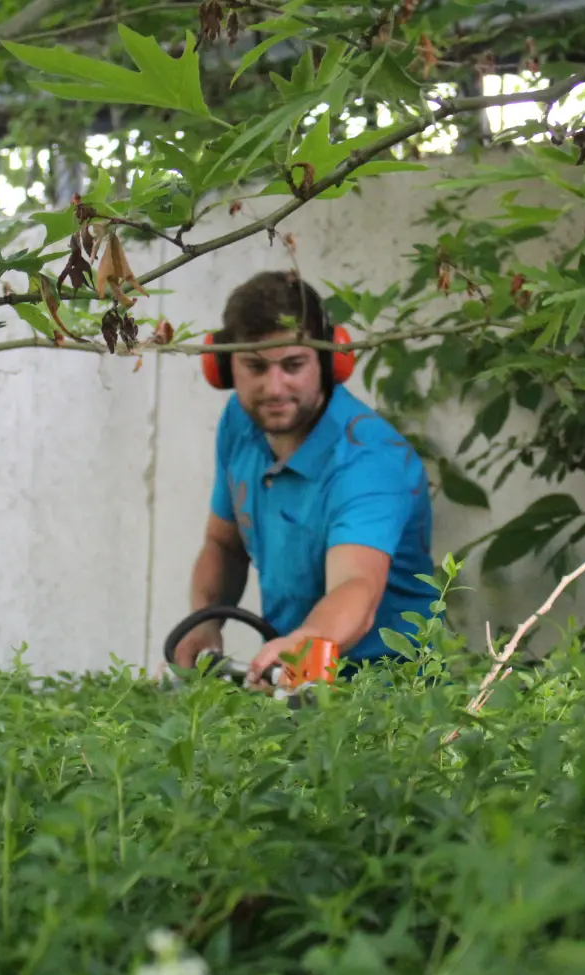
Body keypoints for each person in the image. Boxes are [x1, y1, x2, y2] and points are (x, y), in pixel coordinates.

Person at [172, 269, 440, 686]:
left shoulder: (368, 460)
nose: (275, 388)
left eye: (293, 365)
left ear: (331, 360)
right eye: (255, 367)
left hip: (390, 695)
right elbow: (224, 544)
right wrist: (204, 619)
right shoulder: (240, 425)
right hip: (291, 681)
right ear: (223, 367)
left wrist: (308, 640)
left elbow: (357, 587)